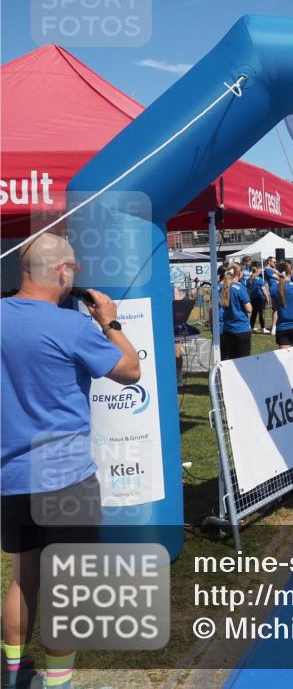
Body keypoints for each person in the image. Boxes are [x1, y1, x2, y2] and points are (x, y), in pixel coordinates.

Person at [1, 233, 141, 689]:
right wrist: (111, 322)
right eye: (74, 269)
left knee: (23, 577)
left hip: (10, 474)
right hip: (64, 477)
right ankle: (58, 682)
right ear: (62, 272)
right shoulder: (72, 326)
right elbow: (129, 370)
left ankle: (15, 673)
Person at [218, 263, 252, 359]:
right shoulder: (240, 288)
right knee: (244, 359)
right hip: (241, 328)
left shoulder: (225, 287)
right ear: (239, 273)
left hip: (228, 328)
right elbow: (249, 308)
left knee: (232, 358)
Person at [274, 261, 293, 349]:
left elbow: (274, 307)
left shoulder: (274, 289)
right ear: (291, 272)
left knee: (284, 359)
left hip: (282, 327)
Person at [247, 265, 268, 333]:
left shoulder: (249, 279)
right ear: (257, 271)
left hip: (252, 298)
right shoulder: (259, 279)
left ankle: (251, 327)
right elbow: (263, 289)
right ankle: (262, 328)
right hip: (260, 298)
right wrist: (267, 297)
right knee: (261, 313)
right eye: (259, 270)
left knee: (254, 314)